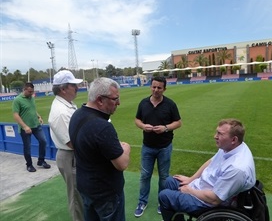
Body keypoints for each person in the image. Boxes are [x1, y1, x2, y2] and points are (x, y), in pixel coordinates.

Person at [159, 118, 256, 221]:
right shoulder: (232, 147)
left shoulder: (237, 168)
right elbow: (210, 162)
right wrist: (190, 179)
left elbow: (215, 199)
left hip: (207, 203)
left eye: (220, 134)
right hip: (203, 187)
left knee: (164, 196)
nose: (215, 136)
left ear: (234, 140)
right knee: (169, 181)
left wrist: (190, 191)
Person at [69, 77, 131, 221]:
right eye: (115, 99)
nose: (119, 103)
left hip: (86, 186)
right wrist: (126, 149)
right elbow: (122, 164)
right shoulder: (102, 127)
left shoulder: (77, 115)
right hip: (105, 193)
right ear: (100, 100)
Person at [134, 76, 182, 217]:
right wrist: (143, 126)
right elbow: (137, 119)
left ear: (164, 89)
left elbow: (178, 122)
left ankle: (163, 201)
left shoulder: (170, 104)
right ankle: (142, 202)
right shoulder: (143, 103)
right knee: (144, 175)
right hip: (147, 146)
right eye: (154, 87)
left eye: (159, 88)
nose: (156, 90)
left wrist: (165, 128)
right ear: (151, 87)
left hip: (164, 147)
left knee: (164, 177)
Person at [48, 70, 84, 221]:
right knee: (76, 197)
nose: (77, 87)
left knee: (81, 194)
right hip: (70, 156)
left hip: (72, 156)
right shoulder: (61, 112)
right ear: (63, 89)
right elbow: (72, 143)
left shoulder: (67, 105)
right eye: (73, 85)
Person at [12, 82, 51, 172]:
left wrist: (39, 116)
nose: (31, 93)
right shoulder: (17, 100)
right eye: (29, 92)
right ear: (24, 89)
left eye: (32, 92)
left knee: (43, 141)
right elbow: (16, 115)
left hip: (36, 125)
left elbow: (32, 109)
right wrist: (25, 127)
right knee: (27, 147)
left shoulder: (31, 98)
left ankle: (41, 160)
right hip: (25, 128)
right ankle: (29, 165)